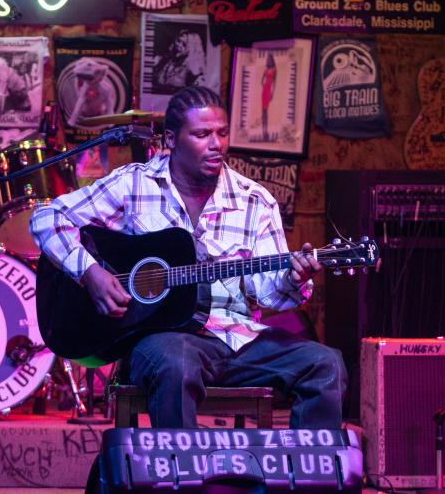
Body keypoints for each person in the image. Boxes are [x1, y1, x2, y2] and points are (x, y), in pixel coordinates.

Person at [30, 86, 345, 429]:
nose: (216, 144)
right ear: (171, 139)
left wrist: (293, 277)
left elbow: (266, 292)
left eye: (222, 133)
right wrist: (89, 272)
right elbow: (46, 218)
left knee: (326, 364)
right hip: (162, 342)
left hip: (237, 338)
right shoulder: (135, 184)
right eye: (202, 134)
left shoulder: (255, 201)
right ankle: (181, 473)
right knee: (176, 362)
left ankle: (309, 473)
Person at [260, 53, 276, 141]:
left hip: (269, 91)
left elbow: (274, 82)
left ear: (271, 60)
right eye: (267, 59)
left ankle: (266, 133)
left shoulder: (274, 70)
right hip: (264, 91)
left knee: (266, 112)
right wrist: (265, 86)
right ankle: (264, 133)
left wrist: (272, 93)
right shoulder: (266, 70)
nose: (268, 60)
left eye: (269, 59)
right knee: (264, 112)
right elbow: (261, 80)